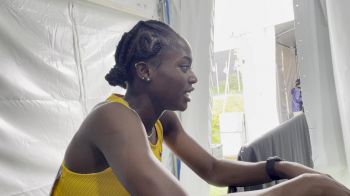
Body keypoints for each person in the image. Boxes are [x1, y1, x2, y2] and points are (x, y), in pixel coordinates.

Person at [51, 20, 350, 196]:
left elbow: (213, 169)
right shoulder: (111, 119)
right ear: (145, 71)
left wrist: (278, 167)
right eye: (183, 67)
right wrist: (307, 187)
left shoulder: (162, 121)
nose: (193, 77)